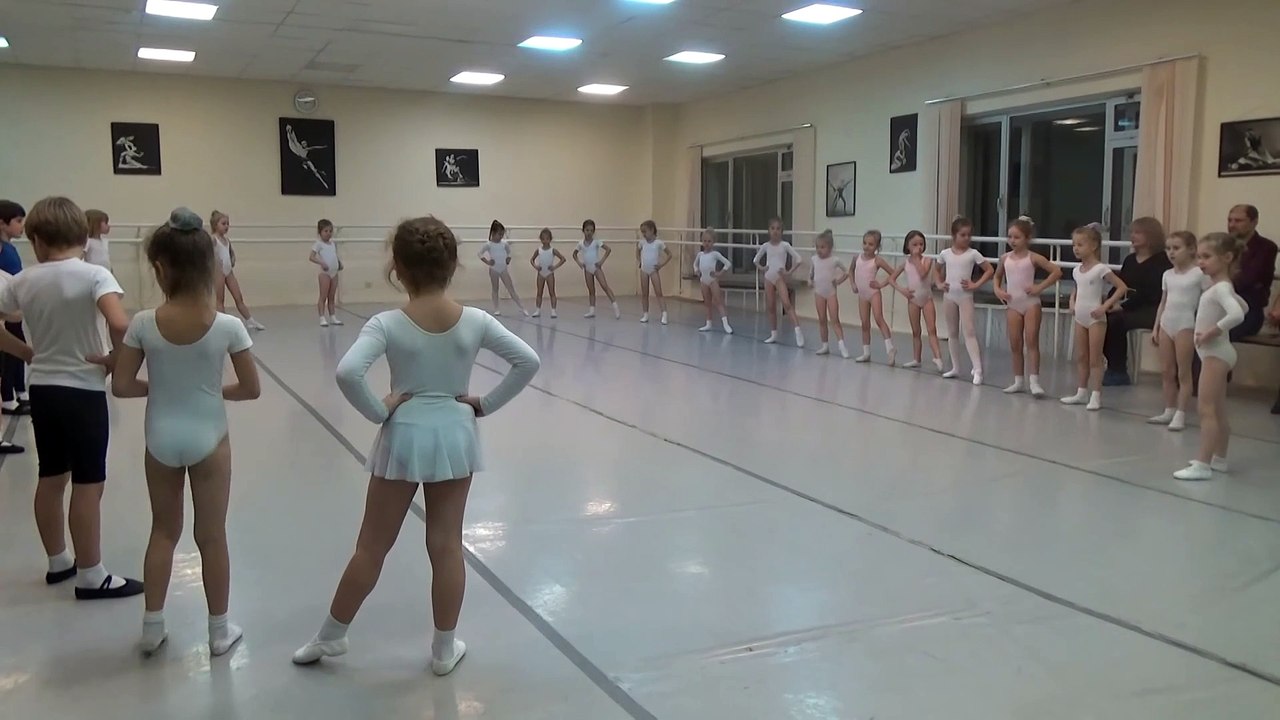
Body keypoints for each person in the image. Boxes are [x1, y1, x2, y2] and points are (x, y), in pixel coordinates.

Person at [293, 216, 539, 675]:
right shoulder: (475, 320)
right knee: (446, 546)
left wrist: (379, 409)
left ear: (398, 269)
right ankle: (444, 649)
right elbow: (528, 361)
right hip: (455, 436)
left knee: (371, 547)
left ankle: (331, 634)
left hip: (403, 436)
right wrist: (484, 404)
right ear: (453, 265)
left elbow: (347, 373)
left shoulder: (387, 323)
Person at [111, 208, 261, 655]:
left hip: (160, 437)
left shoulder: (142, 323)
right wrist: (211, 392)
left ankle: (152, 626)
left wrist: (162, 387)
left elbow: (121, 385)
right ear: (211, 266)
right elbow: (250, 389)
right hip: (209, 437)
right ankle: (219, 631)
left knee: (162, 531)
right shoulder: (229, 326)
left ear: (159, 269)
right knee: (211, 536)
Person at [0, 196, 143, 599]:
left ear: (38, 240)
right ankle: (91, 574)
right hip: (83, 390)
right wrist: (115, 360)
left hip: (43, 389)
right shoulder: (95, 275)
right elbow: (120, 323)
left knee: (50, 476)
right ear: (82, 237)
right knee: (88, 482)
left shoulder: (23, 280)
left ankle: (58, 560)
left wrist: (26, 352)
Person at [1174, 233, 1249, 481]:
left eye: (1206, 257)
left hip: (1215, 352)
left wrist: (1211, 332)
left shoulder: (1221, 288)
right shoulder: (1221, 287)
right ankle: (1220, 459)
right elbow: (1243, 306)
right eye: (1199, 257)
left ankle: (1203, 464)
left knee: (1205, 409)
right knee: (1218, 409)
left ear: (1227, 257)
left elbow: (1237, 315)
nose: (1201, 262)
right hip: (1217, 352)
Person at [1061, 224, 1130, 411]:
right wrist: (1072, 302)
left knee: (1095, 358)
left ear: (1093, 246)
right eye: (1074, 245)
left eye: (1080, 244)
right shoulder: (1077, 270)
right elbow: (1077, 289)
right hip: (1080, 316)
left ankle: (1096, 395)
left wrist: (1105, 307)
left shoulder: (1100, 269)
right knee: (1081, 356)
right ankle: (1081, 392)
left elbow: (1121, 287)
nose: (1076, 248)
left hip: (1096, 319)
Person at [993, 216, 1061, 397]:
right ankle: (1018, 381)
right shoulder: (1005, 258)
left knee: (1031, 341)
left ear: (1027, 238)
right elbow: (997, 276)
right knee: (1015, 343)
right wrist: (998, 290)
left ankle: (1034, 382)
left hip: (1031, 304)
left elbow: (1056, 271)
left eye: (1017, 237)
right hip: (1013, 304)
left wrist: (1039, 287)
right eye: (1010, 237)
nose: (1012, 241)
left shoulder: (1033, 257)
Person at [1102, 217, 1171, 386]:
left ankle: (1118, 370)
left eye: (1138, 232)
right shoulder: (1130, 260)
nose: (1132, 236)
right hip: (1130, 305)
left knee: (1115, 321)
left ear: (1151, 235)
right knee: (1101, 318)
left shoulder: (1163, 261)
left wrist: (1122, 306)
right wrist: (1109, 302)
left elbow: (1153, 293)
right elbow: (1121, 285)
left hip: (1153, 308)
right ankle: (1109, 364)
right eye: (1132, 232)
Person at [1148, 231, 1203, 431]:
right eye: (1168, 248)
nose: (1171, 252)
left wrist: (1202, 326)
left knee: (1183, 372)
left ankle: (1181, 413)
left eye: (1176, 248)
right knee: (1166, 371)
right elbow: (1163, 302)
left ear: (1191, 249)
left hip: (1186, 325)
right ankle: (1169, 409)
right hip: (1166, 323)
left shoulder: (1198, 274)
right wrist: (1156, 327)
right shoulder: (1167, 275)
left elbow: (1207, 301)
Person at [935, 217, 993, 385]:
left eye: (969, 235)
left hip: (965, 297)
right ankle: (955, 367)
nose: (967, 238)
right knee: (952, 332)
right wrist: (939, 283)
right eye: (963, 235)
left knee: (969, 331)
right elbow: (936, 270)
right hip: (949, 296)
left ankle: (978, 369)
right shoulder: (945, 254)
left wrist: (975, 284)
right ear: (954, 235)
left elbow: (989, 270)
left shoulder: (973, 254)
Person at [888, 230, 943, 371]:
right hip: (912, 300)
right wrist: (903, 290)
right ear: (908, 246)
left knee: (932, 329)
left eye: (921, 244)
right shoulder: (905, 263)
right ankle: (916, 359)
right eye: (914, 245)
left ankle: (937, 357)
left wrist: (917, 259)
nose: (918, 247)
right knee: (916, 331)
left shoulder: (927, 260)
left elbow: (923, 273)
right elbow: (891, 279)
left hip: (927, 299)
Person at [209, 211, 266, 331]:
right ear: (215, 225)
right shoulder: (213, 239)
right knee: (220, 300)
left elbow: (231, 253)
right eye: (223, 224)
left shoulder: (226, 240)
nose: (226, 226)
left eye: (227, 224)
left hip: (228, 271)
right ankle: (222, 324)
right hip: (218, 272)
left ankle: (250, 320)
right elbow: (207, 253)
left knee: (238, 297)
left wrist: (233, 259)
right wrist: (214, 262)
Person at [0, 200, 31, 418]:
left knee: (17, 351)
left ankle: (20, 392)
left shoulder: (10, 248)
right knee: (8, 354)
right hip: (6, 311)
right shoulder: (3, 250)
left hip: (14, 310)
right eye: (18, 221)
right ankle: (8, 399)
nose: (22, 226)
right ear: (2, 223)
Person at [753, 217, 805, 347]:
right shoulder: (765, 246)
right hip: (768, 278)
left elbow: (799, 259)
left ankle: (798, 331)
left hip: (779, 278)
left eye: (778, 229)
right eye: (772, 228)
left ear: (782, 231)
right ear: (769, 230)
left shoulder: (785, 245)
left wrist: (788, 272)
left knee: (787, 304)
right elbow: (755, 260)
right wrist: (762, 268)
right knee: (771, 307)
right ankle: (773, 334)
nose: (775, 231)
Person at [849, 230, 896, 364]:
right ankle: (866, 353)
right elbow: (850, 271)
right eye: (865, 243)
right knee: (864, 323)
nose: (866, 246)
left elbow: (893, 273)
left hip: (873, 293)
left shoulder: (877, 260)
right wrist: (853, 284)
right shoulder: (856, 257)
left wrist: (881, 284)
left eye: (871, 244)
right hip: (862, 295)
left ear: (877, 247)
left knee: (878, 319)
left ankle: (890, 349)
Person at [808, 230, 848, 357]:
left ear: (830, 248)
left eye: (822, 247)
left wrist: (839, 281)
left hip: (831, 293)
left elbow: (847, 272)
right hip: (819, 293)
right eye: (817, 247)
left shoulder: (834, 260)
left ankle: (842, 346)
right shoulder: (814, 259)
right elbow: (811, 274)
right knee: (822, 319)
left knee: (835, 320)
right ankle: (824, 345)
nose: (819, 250)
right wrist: (809, 281)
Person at [479, 220, 527, 317]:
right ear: (493, 233)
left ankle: (522, 307)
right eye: (499, 234)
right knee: (495, 289)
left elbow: (509, 252)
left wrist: (508, 258)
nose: (501, 236)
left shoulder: (504, 243)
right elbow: (479, 254)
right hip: (493, 269)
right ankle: (496, 308)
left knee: (511, 289)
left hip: (503, 269)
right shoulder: (488, 244)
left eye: (502, 234)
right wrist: (488, 262)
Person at [573, 219, 621, 319]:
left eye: (591, 230)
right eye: (587, 230)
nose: (589, 232)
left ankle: (616, 307)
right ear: (583, 230)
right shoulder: (580, 243)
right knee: (591, 290)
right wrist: (579, 263)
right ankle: (592, 311)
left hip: (596, 268)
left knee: (604, 286)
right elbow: (574, 254)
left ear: (594, 231)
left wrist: (601, 262)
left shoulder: (596, 242)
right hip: (587, 269)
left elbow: (608, 249)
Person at [693, 228, 733, 334]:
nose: (706, 243)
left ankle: (726, 324)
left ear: (713, 242)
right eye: (705, 241)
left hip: (712, 281)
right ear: (702, 241)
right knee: (707, 303)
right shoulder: (700, 255)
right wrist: (696, 271)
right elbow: (695, 264)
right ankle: (708, 323)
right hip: (703, 281)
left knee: (718, 302)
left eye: (709, 241)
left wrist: (719, 273)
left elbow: (727, 263)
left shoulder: (715, 254)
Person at [636, 220, 671, 325]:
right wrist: (639, 261)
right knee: (644, 293)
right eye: (642, 232)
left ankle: (664, 314)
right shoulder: (642, 243)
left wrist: (661, 265)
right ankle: (645, 314)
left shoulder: (658, 243)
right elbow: (637, 251)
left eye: (645, 231)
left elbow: (669, 254)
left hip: (654, 271)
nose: (643, 234)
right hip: (644, 270)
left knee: (658, 293)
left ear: (652, 230)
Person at [310, 219, 344, 327]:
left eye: (330, 231)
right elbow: (311, 257)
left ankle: (333, 317)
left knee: (332, 296)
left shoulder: (333, 244)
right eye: (326, 231)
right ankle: (322, 317)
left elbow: (334, 255)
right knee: (323, 296)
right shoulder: (318, 244)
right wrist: (322, 263)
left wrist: (339, 263)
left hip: (334, 272)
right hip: (325, 273)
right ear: (320, 232)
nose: (328, 233)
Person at [529, 227, 566, 318]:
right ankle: (538, 310)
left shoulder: (553, 250)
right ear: (541, 239)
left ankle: (553, 311)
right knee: (539, 292)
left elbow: (563, 259)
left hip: (549, 274)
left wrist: (554, 267)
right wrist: (536, 266)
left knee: (552, 292)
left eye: (547, 238)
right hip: (541, 273)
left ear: (550, 239)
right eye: (543, 239)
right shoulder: (539, 250)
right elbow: (532, 260)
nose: (545, 241)